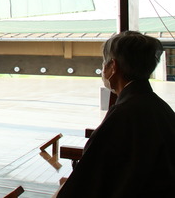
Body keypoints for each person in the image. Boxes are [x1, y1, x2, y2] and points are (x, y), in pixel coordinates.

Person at [56, 31, 175, 197]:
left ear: (113, 66)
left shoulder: (123, 114)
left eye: (105, 62)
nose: (103, 68)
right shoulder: (160, 107)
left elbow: (85, 182)